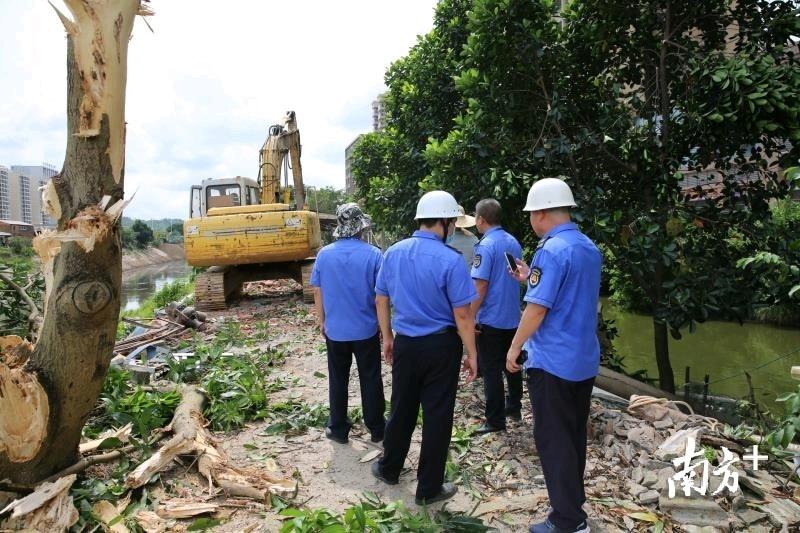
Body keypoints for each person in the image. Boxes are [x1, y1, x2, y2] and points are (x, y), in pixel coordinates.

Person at [505, 178, 601, 533]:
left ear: (542, 212)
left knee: (553, 440)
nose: (531, 219)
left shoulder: (551, 249)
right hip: (582, 359)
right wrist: (530, 277)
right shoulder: (587, 246)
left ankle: (568, 520)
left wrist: (514, 347)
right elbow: (565, 292)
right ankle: (573, 505)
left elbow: (537, 309)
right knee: (572, 435)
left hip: (553, 361)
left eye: (532, 214)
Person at [371, 191, 479, 505]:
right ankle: (428, 487)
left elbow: (381, 298)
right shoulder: (451, 260)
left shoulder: (394, 252)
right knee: (437, 415)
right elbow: (462, 314)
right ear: (445, 222)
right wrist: (472, 353)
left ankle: (389, 468)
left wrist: (387, 337)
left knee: (402, 407)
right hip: (441, 346)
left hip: (405, 343)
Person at [310, 203, 386, 445]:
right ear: (361, 228)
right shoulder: (374, 254)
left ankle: (339, 429)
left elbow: (317, 291)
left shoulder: (324, 254)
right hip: (366, 330)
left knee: (338, 379)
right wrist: (386, 330)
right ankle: (377, 428)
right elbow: (381, 296)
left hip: (336, 330)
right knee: (371, 378)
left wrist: (322, 321)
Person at [470, 198, 524, 434]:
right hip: (512, 316)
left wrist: (469, 317)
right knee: (511, 364)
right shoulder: (513, 241)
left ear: (480, 219)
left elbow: (480, 286)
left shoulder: (486, 245)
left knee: (491, 369)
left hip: (491, 317)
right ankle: (514, 407)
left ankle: (494, 420)